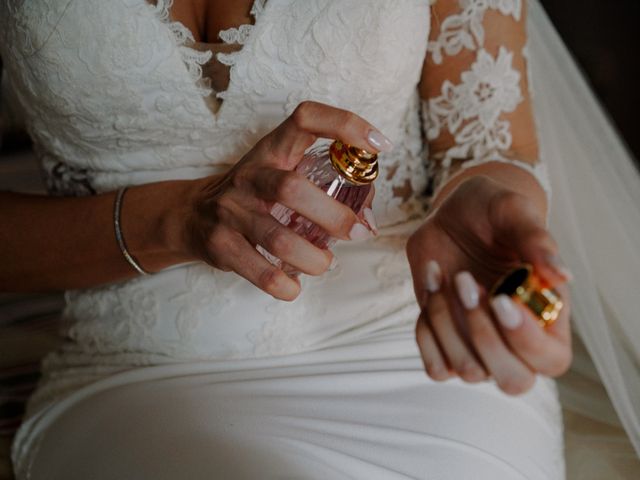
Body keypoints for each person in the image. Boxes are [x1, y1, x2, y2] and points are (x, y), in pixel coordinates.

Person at [0, 0, 638, 478]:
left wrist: (484, 194)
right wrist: (172, 219)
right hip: (136, 375)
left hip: (410, 351)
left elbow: (487, 144)